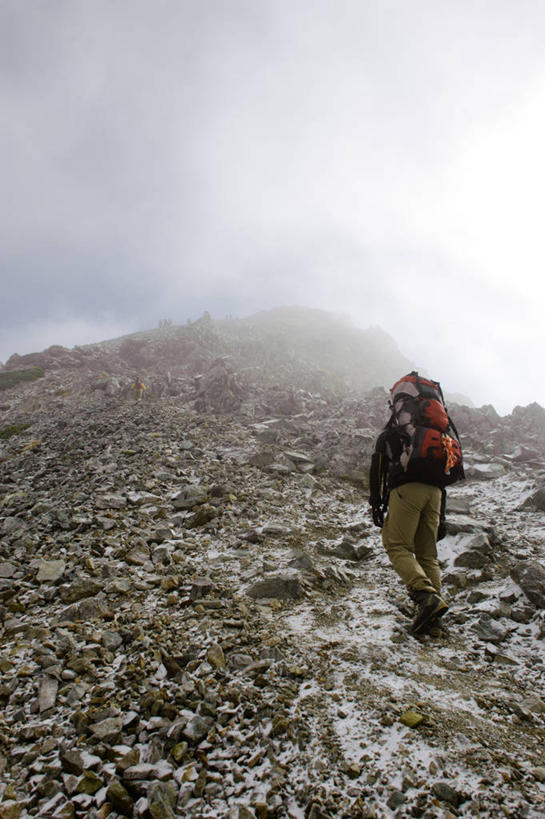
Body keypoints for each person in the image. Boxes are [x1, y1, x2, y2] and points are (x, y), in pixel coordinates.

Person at [369, 373, 463, 636]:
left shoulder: (391, 435)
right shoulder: (436, 435)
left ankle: (425, 598)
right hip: (434, 494)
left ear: (399, 406)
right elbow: (440, 481)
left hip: (406, 490)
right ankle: (434, 618)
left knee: (396, 544)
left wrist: (376, 503)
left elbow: (377, 470)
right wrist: (440, 517)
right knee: (427, 555)